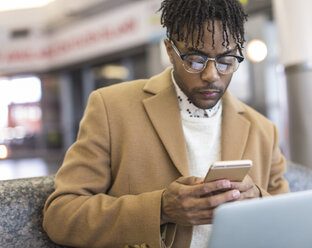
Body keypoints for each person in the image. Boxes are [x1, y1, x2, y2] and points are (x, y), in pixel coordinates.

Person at [43, 0, 290, 247]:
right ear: (170, 50)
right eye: (195, 59)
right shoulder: (112, 108)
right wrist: (160, 209)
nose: (211, 75)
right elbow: (61, 216)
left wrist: (258, 200)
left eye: (226, 61)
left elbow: (288, 221)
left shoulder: (263, 130)